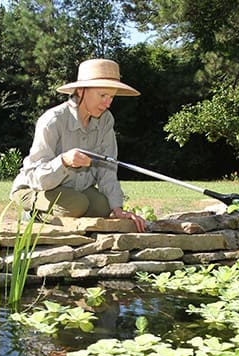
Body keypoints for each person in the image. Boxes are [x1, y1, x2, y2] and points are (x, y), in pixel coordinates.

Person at [10, 58, 147, 232]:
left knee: (103, 207)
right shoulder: (53, 120)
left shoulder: (106, 120)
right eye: (103, 95)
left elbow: (108, 167)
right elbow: (36, 178)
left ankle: (68, 213)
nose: (108, 103)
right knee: (77, 204)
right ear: (81, 91)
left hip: (75, 189)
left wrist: (117, 209)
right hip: (34, 187)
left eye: (111, 96)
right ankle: (32, 214)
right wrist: (63, 161)